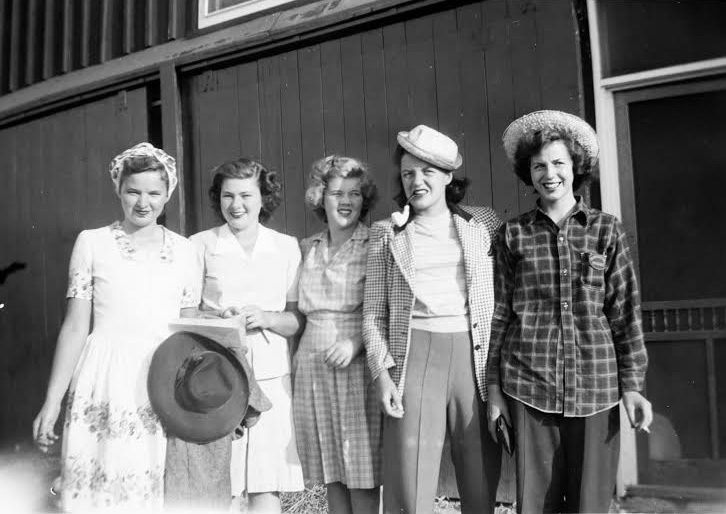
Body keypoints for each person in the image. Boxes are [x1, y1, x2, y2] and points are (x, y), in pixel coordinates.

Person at [486, 110, 653, 514]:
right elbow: (500, 316)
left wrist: (632, 386)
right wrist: (493, 391)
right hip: (528, 387)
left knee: (590, 505)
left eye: (559, 162)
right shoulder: (513, 234)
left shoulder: (606, 230)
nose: (549, 173)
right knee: (536, 506)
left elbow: (625, 312)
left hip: (596, 389)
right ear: (528, 173)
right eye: (538, 165)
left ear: (575, 167)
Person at [32, 143, 200, 511]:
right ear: (119, 190)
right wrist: (52, 401)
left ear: (167, 194)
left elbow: (188, 330)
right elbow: (75, 327)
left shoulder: (187, 252)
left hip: (158, 379)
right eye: (133, 191)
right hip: (103, 377)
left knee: (147, 489)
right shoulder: (92, 243)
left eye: (154, 193)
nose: (143, 202)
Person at [363, 125, 503, 514]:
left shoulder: (483, 223)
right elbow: (373, 310)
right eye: (408, 173)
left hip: (472, 357)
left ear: (448, 176)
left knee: (478, 476)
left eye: (427, 171)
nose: (416, 181)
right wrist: (382, 373)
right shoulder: (387, 233)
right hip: (415, 354)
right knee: (411, 481)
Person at [190, 158, 304, 513]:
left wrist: (267, 317)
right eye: (227, 196)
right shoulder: (200, 244)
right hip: (217, 373)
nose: (236, 205)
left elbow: (296, 320)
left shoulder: (285, 246)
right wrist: (219, 316)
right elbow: (186, 312)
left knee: (265, 480)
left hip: (270, 377)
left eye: (245, 195)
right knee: (222, 480)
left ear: (263, 197)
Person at [293, 155, 381, 514]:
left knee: (359, 465)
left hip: (354, 364)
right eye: (336, 193)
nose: (345, 201)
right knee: (330, 465)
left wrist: (356, 342)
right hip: (311, 364)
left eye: (355, 193)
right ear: (320, 197)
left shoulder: (377, 241)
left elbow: (386, 305)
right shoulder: (305, 248)